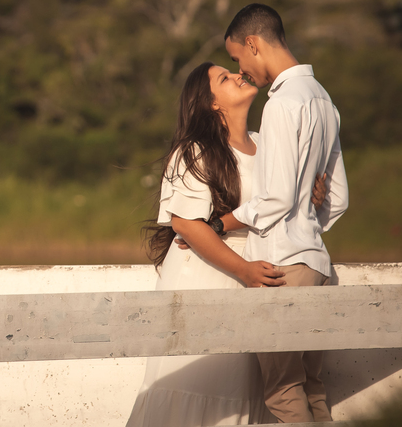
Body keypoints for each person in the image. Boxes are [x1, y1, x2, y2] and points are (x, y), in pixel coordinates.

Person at [127, 60, 299, 426]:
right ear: (212, 103)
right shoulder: (194, 151)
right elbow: (186, 225)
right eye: (225, 77)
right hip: (204, 278)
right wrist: (244, 271)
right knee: (199, 384)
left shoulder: (267, 142)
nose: (239, 74)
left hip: (254, 277)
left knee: (242, 390)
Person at [217, 3, 349, 423]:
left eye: (237, 58)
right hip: (317, 264)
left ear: (253, 44)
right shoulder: (324, 100)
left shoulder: (280, 105)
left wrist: (220, 223)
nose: (241, 69)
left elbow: (273, 198)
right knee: (312, 388)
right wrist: (307, 221)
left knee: (282, 393)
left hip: (281, 269)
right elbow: (339, 199)